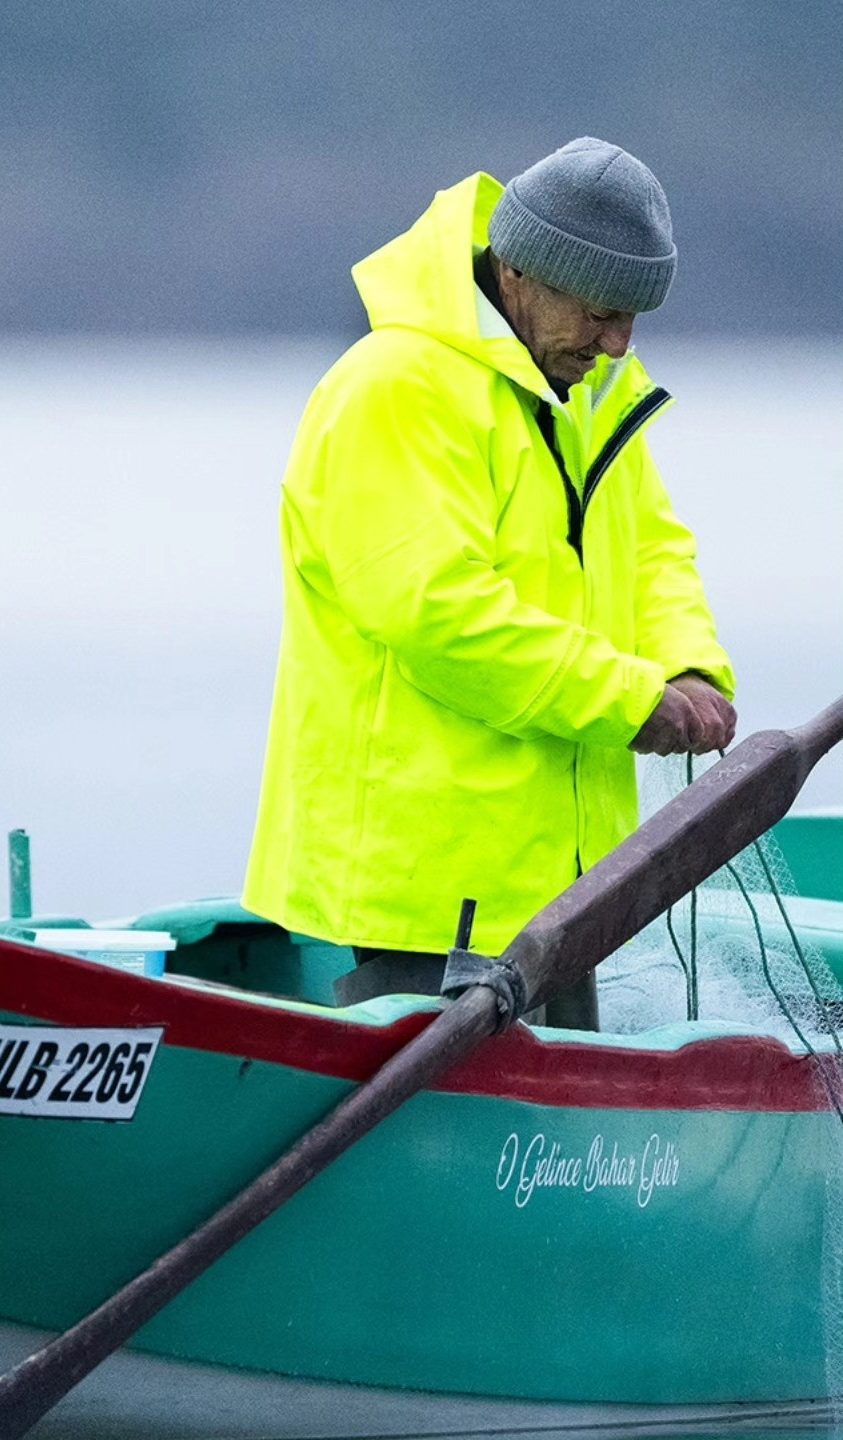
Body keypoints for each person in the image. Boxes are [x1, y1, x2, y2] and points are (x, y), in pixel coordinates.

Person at [241, 137, 736, 1023]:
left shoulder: (588, 392)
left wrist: (690, 667)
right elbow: (440, 615)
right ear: (519, 272)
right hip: (427, 888)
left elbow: (655, 550)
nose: (618, 342)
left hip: (566, 886)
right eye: (602, 309)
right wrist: (630, 699)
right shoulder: (395, 388)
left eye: (634, 316)